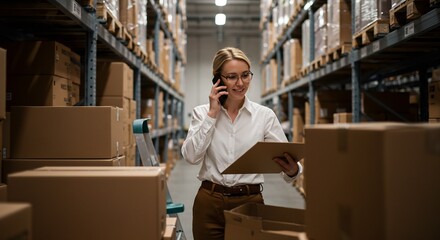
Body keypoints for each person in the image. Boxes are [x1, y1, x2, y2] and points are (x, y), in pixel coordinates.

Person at [181, 47, 303, 240]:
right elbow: (191, 156)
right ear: (217, 79)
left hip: (249, 202)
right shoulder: (202, 113)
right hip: (209, 203)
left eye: (245, 75)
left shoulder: (264, 116)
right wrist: (212, 115)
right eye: (232, 77)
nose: (240, 83)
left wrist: (292, 170)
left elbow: (285, 159)